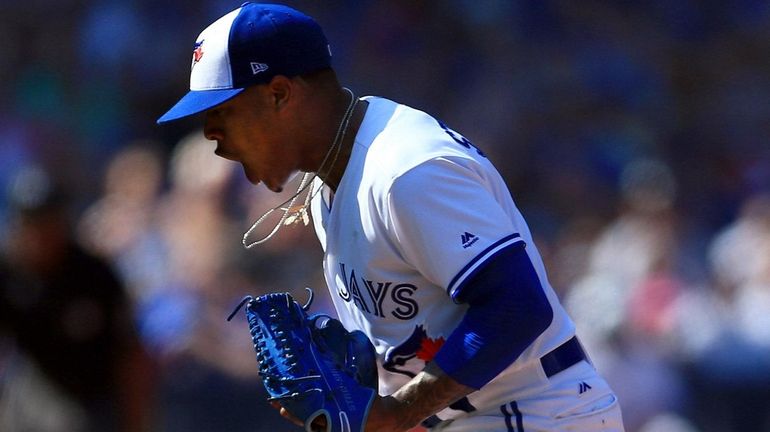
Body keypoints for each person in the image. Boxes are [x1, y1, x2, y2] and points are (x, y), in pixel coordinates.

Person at [157, 3, 625, 431]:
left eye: (222, 112)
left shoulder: (405, 170)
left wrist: (397, 413)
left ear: (279, 93)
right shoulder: (332, 179)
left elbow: (518, 307)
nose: (212, 135)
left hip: (540, 414)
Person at [0, 165, 155, 432]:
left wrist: (136, 423)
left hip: (95, 398)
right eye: (31, 223)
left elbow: (130, 357)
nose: (39, 234)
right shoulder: (8, 274)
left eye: (47, 221)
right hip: (34, 391)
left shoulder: (94, 276)